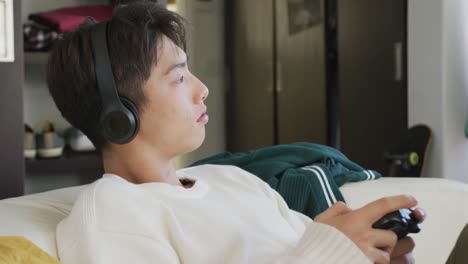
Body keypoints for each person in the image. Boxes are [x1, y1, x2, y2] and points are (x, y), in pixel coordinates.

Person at [47, 1, 425, 263]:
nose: (202, 89)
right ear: (119, 115)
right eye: (179, 77)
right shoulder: (111, 214)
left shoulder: (232, 180)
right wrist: (332, 253)